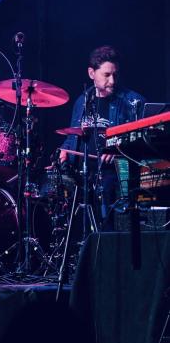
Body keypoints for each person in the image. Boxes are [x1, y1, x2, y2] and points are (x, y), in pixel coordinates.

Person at [59, 45, 145, 229]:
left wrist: (120, 151)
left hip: (116, 176)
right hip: (84, 178)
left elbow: (145, 143)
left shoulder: (133, 102)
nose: (112, 81)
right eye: (106, 75)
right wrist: (65, 151)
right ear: (92, 73)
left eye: (115, 74)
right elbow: (73, 135)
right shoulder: (82, 101)